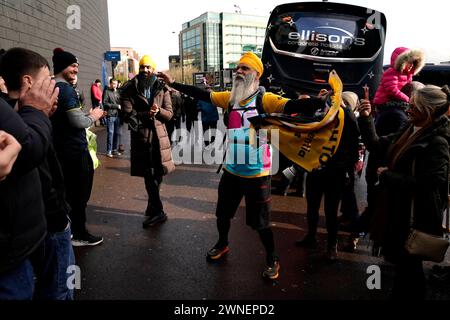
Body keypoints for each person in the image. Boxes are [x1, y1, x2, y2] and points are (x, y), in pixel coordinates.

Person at [158, 52, 292, 279]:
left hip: (257, 172)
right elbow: (201, 94)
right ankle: (222, 243)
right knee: (222, 214)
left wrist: (319, 102)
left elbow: (292, 106)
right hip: (232, 170)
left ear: (257, 75)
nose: (239, 71)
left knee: (260, 223)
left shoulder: (265, 100)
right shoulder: (230, 98)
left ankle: (272, 257)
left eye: (245, 68)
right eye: (238, 68)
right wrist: (175, 84)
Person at [357, 84, 450, 299]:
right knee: (404, 266)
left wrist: (388, 175)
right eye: (409, 105)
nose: (408, 110)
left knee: (410, 269)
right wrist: (366, 117)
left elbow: (431, 183)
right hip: (398, 209)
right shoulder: (411, 127)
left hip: (414, 216)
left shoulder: (438, 142)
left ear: (430, 111)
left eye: (414, 107)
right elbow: (378, 144)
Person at [0, 47, 75, 299]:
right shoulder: (17, 117)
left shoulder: (19, 113)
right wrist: (61, 218)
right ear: (28, 82)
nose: (52, 86)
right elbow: (35, 154)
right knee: (59, 290)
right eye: (47, 81)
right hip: (45, 228)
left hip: (32, 234)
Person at [50, 48, 104, 246]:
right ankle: (78, 234)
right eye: (73, 65)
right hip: (73, 152)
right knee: (79, 195)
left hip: (60, 149)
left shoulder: (51, 85)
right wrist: (94, 116)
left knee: (66, 194)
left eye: (77, 66)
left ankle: (69, 231)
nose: (76, 70)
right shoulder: (65, 89)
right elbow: (78, 123)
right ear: (63, 66)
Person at [120, 54, 175, 228]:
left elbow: (169, 113)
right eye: (142, 67)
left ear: (153, 69)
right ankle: (159, 211)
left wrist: (158, 112)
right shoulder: (129, 88)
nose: (145, 70)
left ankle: (152, 205)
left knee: (157, 173)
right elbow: (127, 116)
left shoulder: (162, 87)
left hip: (160, 138)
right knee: (148, 175)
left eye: (148, 67)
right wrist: (146, 114)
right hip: (142, 138)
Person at [373, 47, 425, 136]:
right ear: (402, 62)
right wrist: (408, 99)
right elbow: (392, 90)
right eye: (410, 63)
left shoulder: (408, 75)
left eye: (414, 63)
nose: (411, 65)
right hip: (384, 102)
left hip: (396, 102)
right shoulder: (391, 72)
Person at [103, 78, 122, 157]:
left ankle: (114, 150)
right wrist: (116, 106)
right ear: (110, 84)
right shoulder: (107, 92)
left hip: (118, 116)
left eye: (116, 83)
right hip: (110, 115)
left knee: (116, 133)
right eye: (113, 83)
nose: (115, 85)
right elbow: (105, 103)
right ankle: (109, 151)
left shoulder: (118, 92)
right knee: (110, 133)